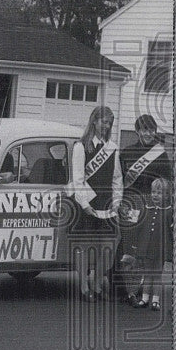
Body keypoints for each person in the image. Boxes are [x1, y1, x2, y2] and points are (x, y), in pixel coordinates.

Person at [116, 114, 172, 303]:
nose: (148, 133)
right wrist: (120, 202)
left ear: (154, 131)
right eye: (144, 129)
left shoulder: (160, 154)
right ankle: (128, 289)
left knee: (145, 249)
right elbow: (119, 182)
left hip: (150, 206)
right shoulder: (127, 152)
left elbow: (167, 183)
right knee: (128, 248)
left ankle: (141, 289)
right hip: (130, 204)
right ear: (137, 131)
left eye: (151, 129)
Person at [70, 106, 123, 302]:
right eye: (103, 121)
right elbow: (78, 178)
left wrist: (117, 202)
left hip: (107, 204)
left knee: (106, 247)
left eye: (109, 123)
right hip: (88, 203)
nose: (106, 126)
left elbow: (117, 178)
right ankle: (84, 286)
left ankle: (98, 284)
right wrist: (84, 204)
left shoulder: (112, 147)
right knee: (85, 247)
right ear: (94, 121)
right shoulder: (81, 146)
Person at [126, 177, 172, 310]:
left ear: (167, 195)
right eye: (153, 192)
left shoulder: (169, 211)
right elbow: (139, 228)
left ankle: (155, 300)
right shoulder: (146, 208)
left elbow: (171, 231)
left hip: (160, 248)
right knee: (147, 274)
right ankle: (145, 298)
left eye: (159, 193)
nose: (155, 195)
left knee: (157, 274)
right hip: (145, 247)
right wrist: (135, 244)